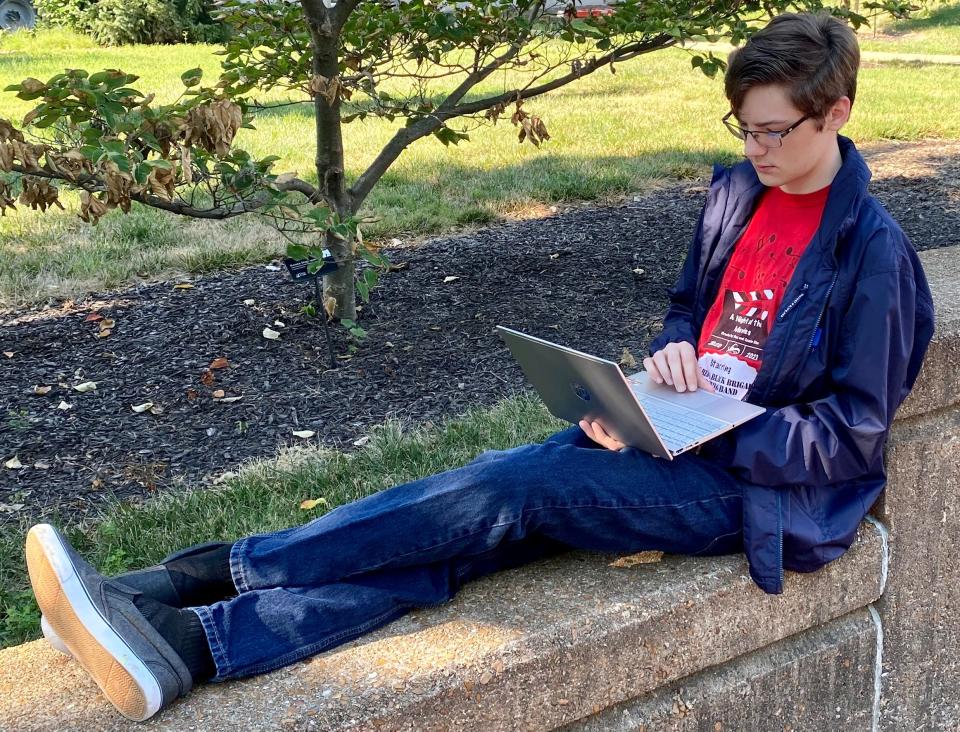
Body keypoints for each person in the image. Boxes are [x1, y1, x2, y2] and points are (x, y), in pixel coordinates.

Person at [26, 11, 934, 722]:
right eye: (743, 129)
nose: (755, 151)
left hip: (751, 489)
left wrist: (718, 425)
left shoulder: (874, 255)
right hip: (668, 425)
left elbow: (851, 439)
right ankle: (187, 646)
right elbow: (691, 309)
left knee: (512, 491)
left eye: (775, 132)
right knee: (466, 529)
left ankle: (194, 579)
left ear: (838, 111)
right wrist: (674, 355)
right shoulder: (738, 192)